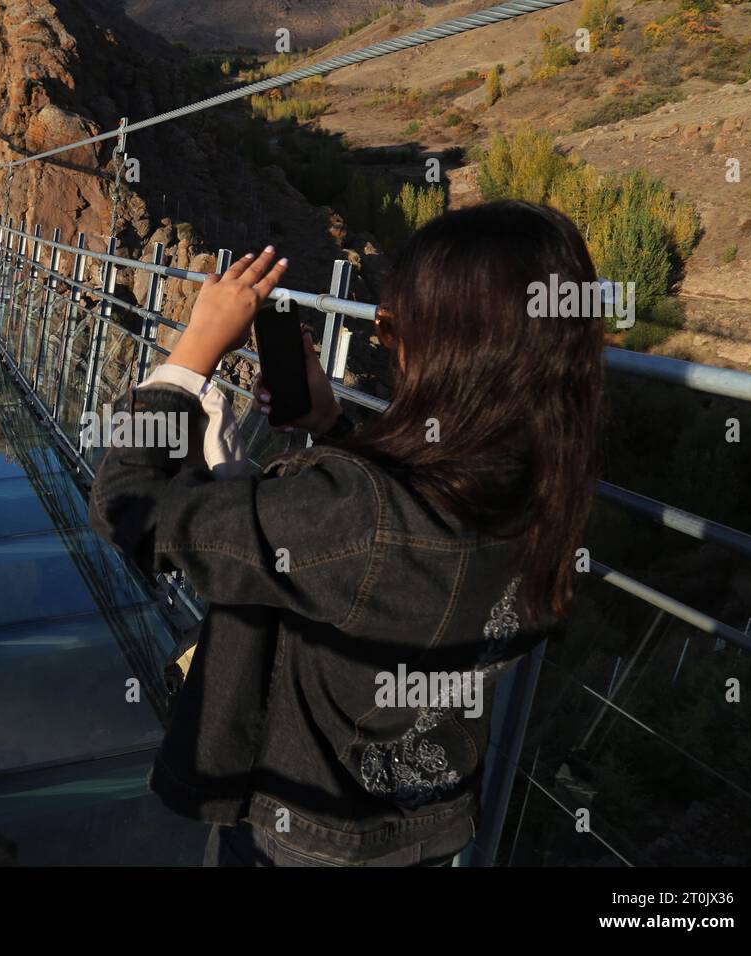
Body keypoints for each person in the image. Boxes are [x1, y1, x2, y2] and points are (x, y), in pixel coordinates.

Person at [88, 201, 606, 866]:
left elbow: (127, 505)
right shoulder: (549, 486)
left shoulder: (356, 514)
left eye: (390, 328)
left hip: (306, 831)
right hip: (430, 820)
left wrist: (191, 356)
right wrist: (333, 428)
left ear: (454, 346)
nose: (386, 343)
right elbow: (407, 546)